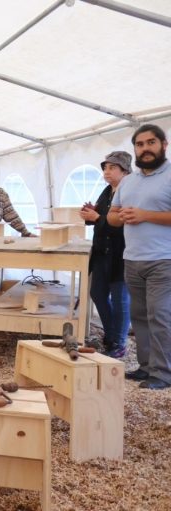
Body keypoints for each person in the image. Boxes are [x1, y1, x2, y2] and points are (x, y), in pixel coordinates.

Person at [108, 124, 171, 390]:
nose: (145, 149)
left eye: (151, 143)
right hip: (132, 259)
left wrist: (146, 215)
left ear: (164, 145)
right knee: (140, 316)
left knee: (160, 316)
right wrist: (119, 217)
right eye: (140, 144)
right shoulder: (129, 180)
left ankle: (164, 373)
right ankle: (146, 367)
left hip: (164, 259)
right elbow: (111, 216)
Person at [79, 151, 131, 358]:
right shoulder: (107, 191)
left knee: (120, 299)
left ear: (125, 170)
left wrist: (97, 216)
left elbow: (120, 226)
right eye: (105, 168)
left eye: (112, 168)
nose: (106, 172)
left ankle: (119, 342)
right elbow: (102, 219)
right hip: (101, 251)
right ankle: (111, 335)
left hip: (121, 253)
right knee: (97, 293)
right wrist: (90, 214)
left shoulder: (130, 192)